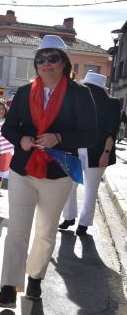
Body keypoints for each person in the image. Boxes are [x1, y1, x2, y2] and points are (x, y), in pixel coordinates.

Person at [0, 35, 97, 308]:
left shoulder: (79, 94)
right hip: (23, 170)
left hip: (58, 173)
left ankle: (35, 277)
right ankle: (8, 286)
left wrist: (59, 138)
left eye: (53, 58)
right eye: (41, 58)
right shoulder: (25, 92)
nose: (46, 63)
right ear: (36, 63)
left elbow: (90, 134)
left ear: (64, 63)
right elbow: (9, 128)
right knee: (17, 230)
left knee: (47, 231)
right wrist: (22, 140)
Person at [60, 72, 121, 235]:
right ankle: (75, 220)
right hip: (80, 150)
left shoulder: (112, 104)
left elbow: (111, 132)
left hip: (96, 151)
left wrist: (106, 152)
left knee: (82, 188)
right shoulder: (79, 100)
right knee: (79, 188)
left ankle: (77, 221)